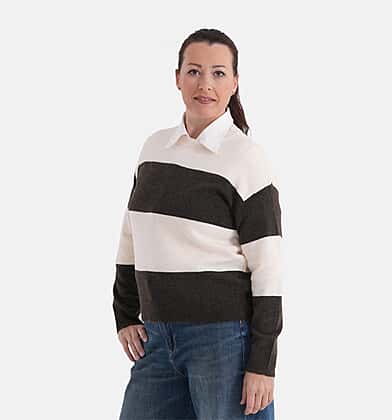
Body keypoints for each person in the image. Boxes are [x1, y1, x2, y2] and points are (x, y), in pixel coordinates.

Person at [112, 28, 285, 419]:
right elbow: (131, 234)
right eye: (193, 71)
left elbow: (268, 269)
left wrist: (262, 363)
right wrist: (125, 314)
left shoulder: (246, 159)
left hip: (223, 341)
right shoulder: (154, 149)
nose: (205, 84)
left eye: (218, 73)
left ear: (234, 83)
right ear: (177, 78)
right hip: (157, 338)